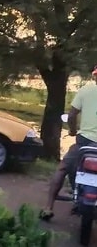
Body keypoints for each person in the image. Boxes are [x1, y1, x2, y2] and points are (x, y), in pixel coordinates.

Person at [40, 65, 97, 221]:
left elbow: (71, 116)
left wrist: (72, 131)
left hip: (84, 143)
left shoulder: (86, 90)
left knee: (63, 168)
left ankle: (48, 208)